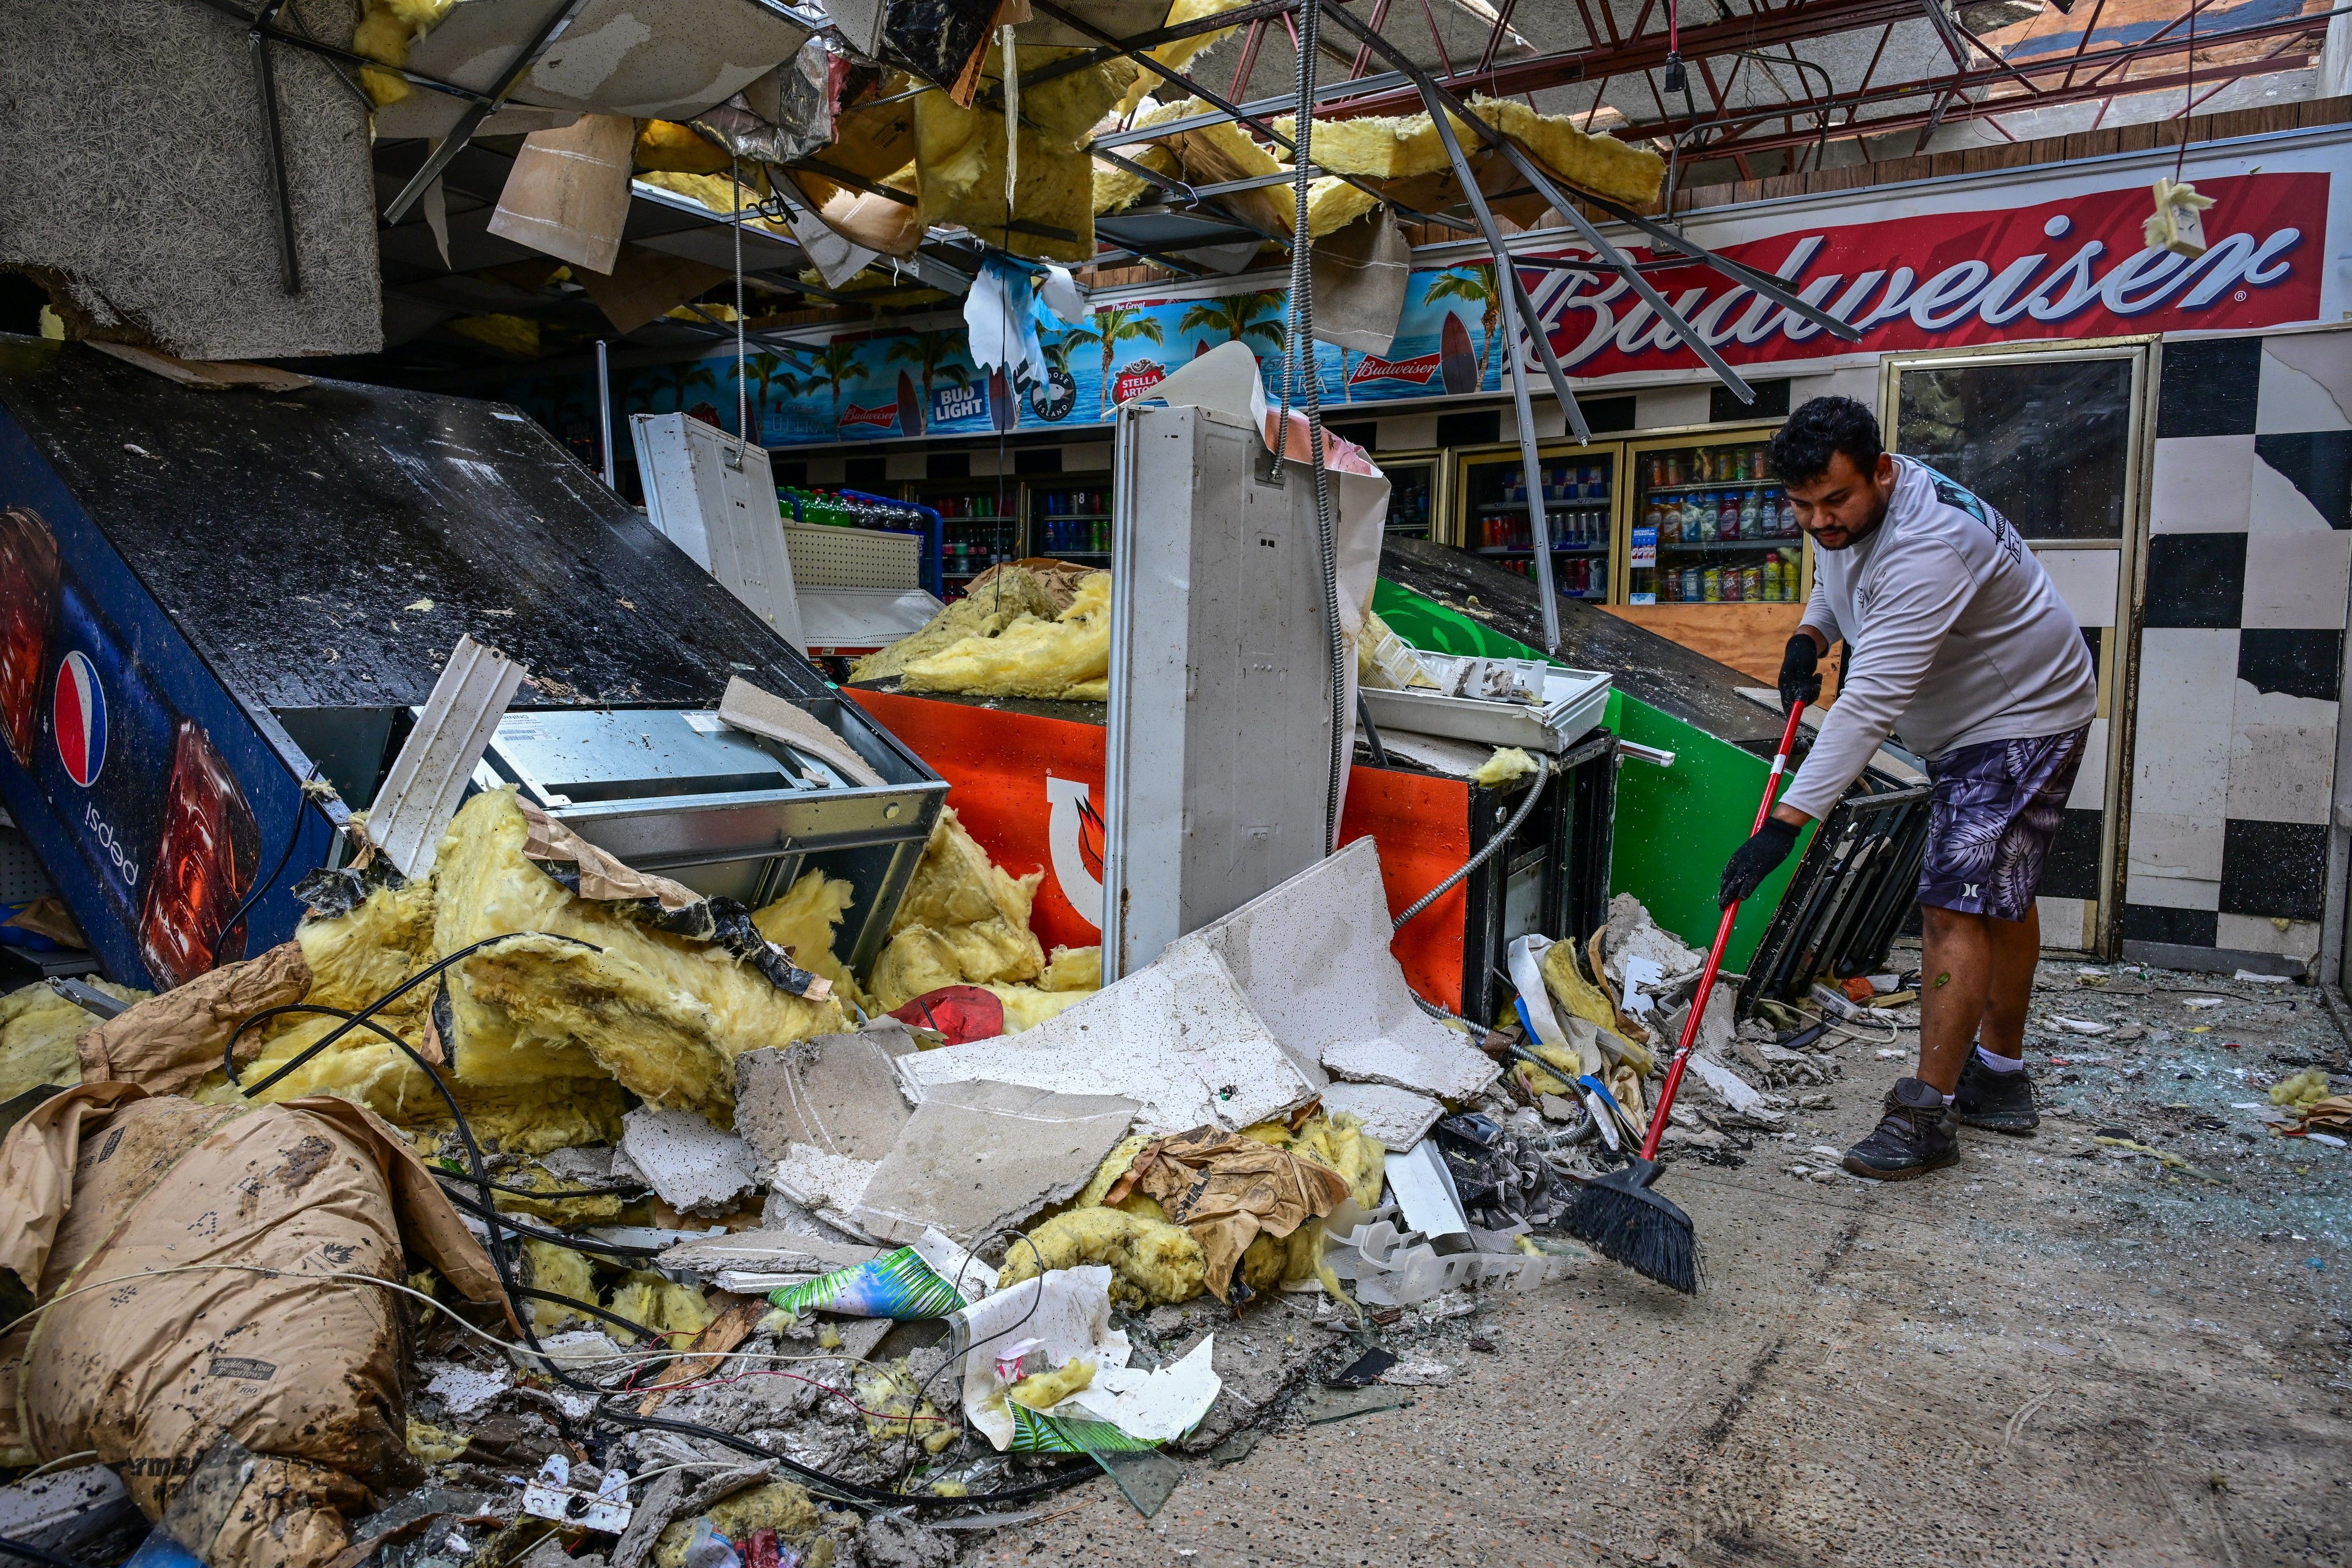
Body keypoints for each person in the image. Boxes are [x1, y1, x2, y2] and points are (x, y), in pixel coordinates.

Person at [1717, 397, 2098, 1180]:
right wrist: (1810, 634)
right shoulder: (1860, 510)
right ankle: (1998, 1078)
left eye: (1835, 501)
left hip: (2018, 718)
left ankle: (1926, 1115)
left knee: (1954, 904)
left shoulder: (1932, 545)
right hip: (1978, 715)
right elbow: (1840, 567)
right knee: (2001, 892)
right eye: (1801, 506)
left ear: (1882, 473)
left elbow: (1868, 707)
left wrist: (1785, 828)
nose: (1820, 521)